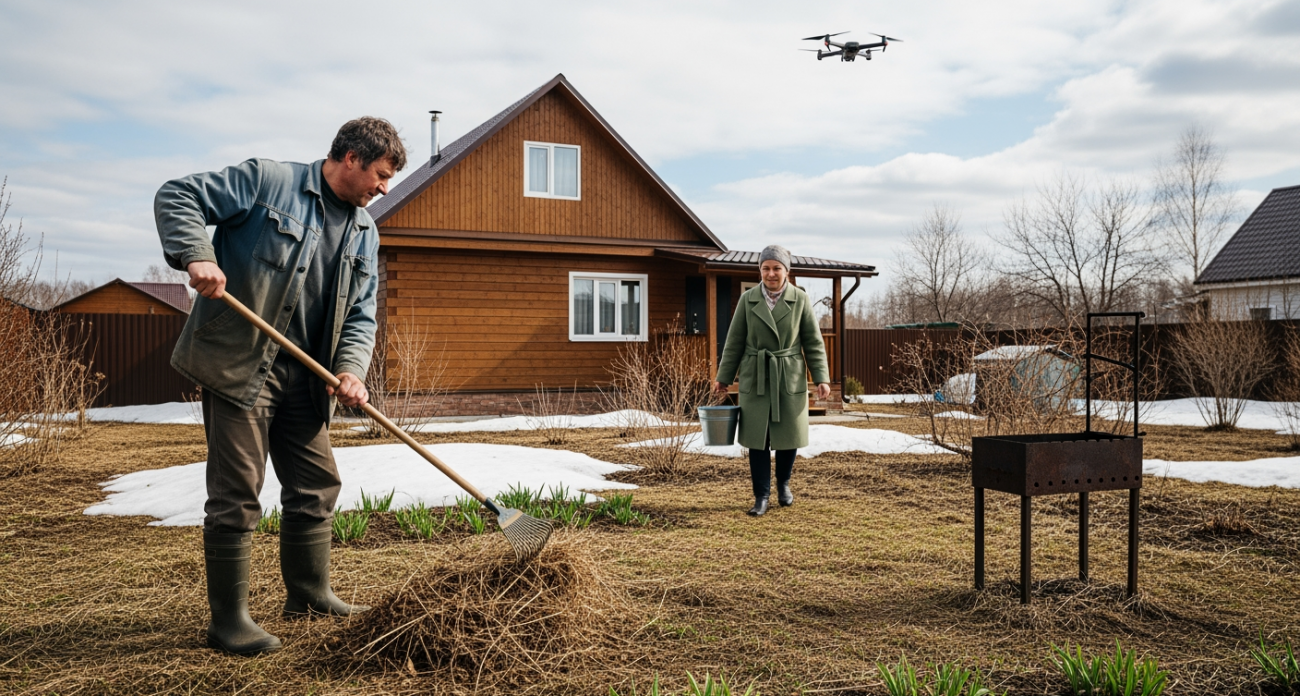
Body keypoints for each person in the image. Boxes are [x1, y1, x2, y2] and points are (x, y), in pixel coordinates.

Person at [154, 117, 407, 655]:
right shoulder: (267, 182)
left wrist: (352, 370)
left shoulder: (366, 231)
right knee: (237, 493)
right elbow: (178, 196)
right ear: (351, 158)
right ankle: (229, 621)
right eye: (381, 175)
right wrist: (197, 254)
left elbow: (362, 315)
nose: (384, 188)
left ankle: (309, 594)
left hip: (308, 379)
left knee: (318, 485)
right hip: (243, 365)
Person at [713, 245, 831, 517]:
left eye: (777, 268)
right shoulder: (748, 299)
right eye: (765, 268)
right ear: (760, 271)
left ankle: (784, 485)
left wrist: (821, 377)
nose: (771, 273)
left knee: (788, 435)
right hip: (756, 375)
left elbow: (813, 342)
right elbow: (734, 342)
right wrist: (724, 377)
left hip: (787, 373)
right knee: (758, 438)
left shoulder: (800, 299)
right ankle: (761, 496)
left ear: (787, 271)